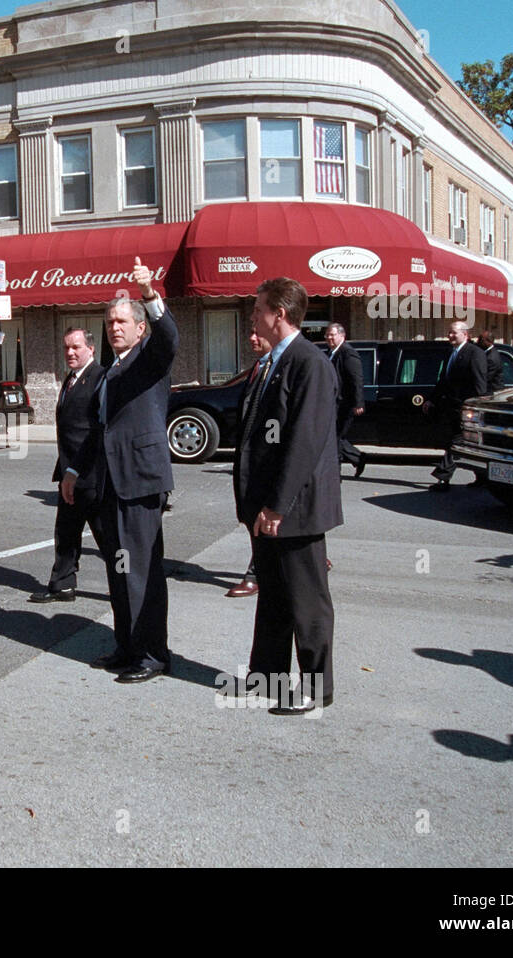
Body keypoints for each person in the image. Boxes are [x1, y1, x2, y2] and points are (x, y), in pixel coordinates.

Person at [228, 277, 341, 714]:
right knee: (273, 599)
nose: (253, 317)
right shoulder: (272, 361)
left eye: (258, 310)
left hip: (296, 509)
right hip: (268, 509)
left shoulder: (308, 362)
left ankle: (316, 687)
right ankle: (268, 680)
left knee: (307, 602)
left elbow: (305, 441)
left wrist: (278, 504)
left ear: (280, 314)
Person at [63, 258, 178, 683]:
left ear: (139, 326)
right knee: (119, 569)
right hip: (110, 484)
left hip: (140, 482)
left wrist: (149, 294)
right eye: (110, 321)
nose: (115, 327)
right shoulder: (107, 371)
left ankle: (153, 654)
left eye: (123, 321)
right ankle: (127, 646)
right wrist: (74, 469)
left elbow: (170, 336)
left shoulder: (150, 358)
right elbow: (99, 429)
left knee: (143, 571)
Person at [29, 327, 104, 603]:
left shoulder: (100, 378)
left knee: (109, 540)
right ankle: (62, 584)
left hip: (91, 475)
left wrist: (77, 470)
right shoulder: (70, 380)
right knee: (66, 533)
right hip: (68, 473)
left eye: (76, 347)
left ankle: (129, 584)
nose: (70, 353)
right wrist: (66, 471)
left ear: (91, 349)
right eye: (66, 348)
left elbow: (97, 431)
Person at [226, 329, 272, 599]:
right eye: (250, 333)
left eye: (258, 333)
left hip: (264, 459)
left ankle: (256, 574)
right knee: (249, 514)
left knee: (259, 519)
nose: (251, 338)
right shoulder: (259, 366)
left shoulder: (285, 365)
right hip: (248, 457)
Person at [423, 320, 487, 490]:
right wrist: (432, 399)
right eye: (449, 332)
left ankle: (443, 476)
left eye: (454, 333)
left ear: (465, 334)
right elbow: (444, 380)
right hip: (451, 406)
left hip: (465, 408)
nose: (450, 336)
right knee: (467, 443)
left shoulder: (475, 353)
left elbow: (479, 383)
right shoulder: (451, 353)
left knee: (456, 441)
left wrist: (476, 406)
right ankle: (482, 477)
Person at [325, 322, 365, 478]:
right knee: (335, 438)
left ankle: (335, 475)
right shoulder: (331, 353)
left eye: (332, 335)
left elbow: (356, 379)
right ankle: (358, 458)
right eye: (327, 335)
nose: (329, 338)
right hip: (333, 404)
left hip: (344, 405)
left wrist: (358, 402)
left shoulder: (348, 353)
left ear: (342, 336)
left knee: (334, 439)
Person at [477, 330, 503, 395]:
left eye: (481, 340)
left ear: (489, 342)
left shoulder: (491, 357)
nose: (478, 342)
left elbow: (486, 377)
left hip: (492, 392)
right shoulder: (486, 353)